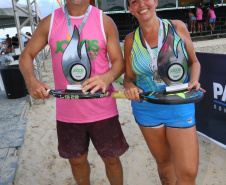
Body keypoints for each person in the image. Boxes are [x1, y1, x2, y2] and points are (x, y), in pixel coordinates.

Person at [19, 0, 129, 184]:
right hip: (68, 112)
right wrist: (32, 81)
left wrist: (107, 77)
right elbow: (26, 55)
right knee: (76, 161)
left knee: (111, 159)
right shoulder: (50, 22)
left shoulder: (104, 21)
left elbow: (119, 61)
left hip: (103, 109)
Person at [124, 0, 206, 184]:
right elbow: (128, 77)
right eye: (134, 2)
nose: (141, 4)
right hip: (147, 109)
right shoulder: (130, 40)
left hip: (180, 105)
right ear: (130, 9)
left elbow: (194, 62)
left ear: (155, 1)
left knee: (188, 172)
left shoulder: (177, 27)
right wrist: (129, 86)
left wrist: (194, 80)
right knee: (164, 162)